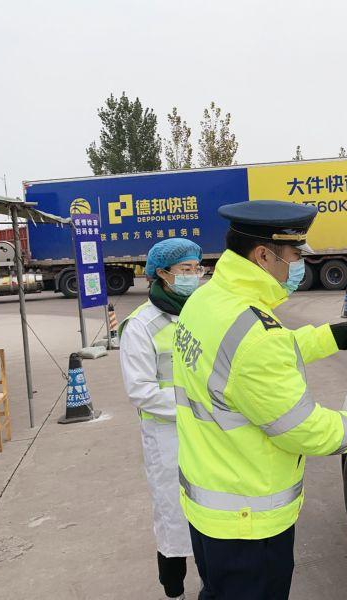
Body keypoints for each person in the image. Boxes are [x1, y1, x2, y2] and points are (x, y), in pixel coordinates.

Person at [173, 200, 347, 599]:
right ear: (263, 255)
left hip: (210, 500)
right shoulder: (253, 331)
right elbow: (303, 429)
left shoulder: (208, 300)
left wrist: (326, 338)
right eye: (295, 255)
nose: (299, 265)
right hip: (249, 518)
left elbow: (242, 362)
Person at [119, 238, 205, 600]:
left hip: (207, 431)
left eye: (197, 268)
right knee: (173, 519)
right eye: (186, 269)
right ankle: (174, 590)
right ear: (163, 273)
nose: (194, 276)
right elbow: (140, 390)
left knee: (211, 514)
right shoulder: (141, 324)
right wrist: (194, 405)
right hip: (167, 437)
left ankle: (211, 586)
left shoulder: (201, 313)